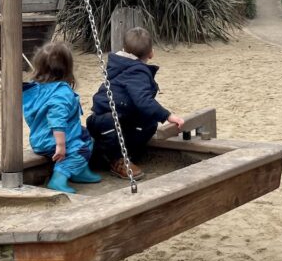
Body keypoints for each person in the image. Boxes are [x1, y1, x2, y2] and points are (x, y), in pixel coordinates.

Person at [87, 27, 185, 180]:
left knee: (149, 123)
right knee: (120, 125)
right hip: (104, 122)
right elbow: (143, 100)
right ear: (151, 53)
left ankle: (124, 154)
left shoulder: (118, 63)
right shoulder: (137, 72)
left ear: (123, 49)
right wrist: (168, 116)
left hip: (114, 119)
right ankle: (116, 159)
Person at [22, 42, 102, 194]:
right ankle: (59, 178)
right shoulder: (61, 93)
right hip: (54, 139)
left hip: (39, 138)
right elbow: (56, 119)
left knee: (86, 136)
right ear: (67, 68)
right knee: (82, 149)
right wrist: (60, 145)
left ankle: (80, 172)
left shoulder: (35, 90)